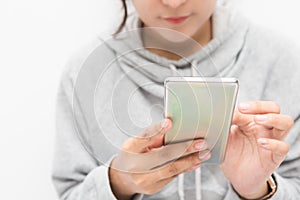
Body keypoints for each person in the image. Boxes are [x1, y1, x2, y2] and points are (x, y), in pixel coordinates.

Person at [52, 0, 300, 199]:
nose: (174, 2)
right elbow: (70, 192)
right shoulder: (86, 71)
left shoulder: (282, 61)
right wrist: (119, 182)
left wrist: (257, 191)